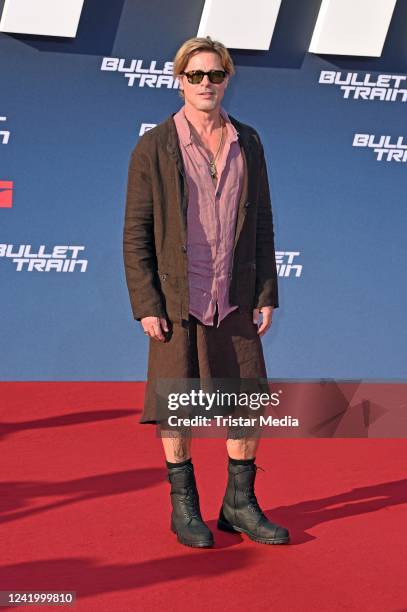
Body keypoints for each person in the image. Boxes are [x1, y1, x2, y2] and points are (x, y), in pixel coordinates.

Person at [123, 36, 290, 548]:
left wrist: (266, 290)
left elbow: (261, 222)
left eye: (215, 75)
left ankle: (239, 503)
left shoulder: (249, 141)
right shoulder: (155, 145)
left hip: (235, 296)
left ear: (227, 79)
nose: (206, 84)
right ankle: (184, 506)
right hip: (178, 301)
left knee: (247, 402)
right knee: (177, 406)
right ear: (179, 80)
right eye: (195, 75)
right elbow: (136, 232)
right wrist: (147, 304)